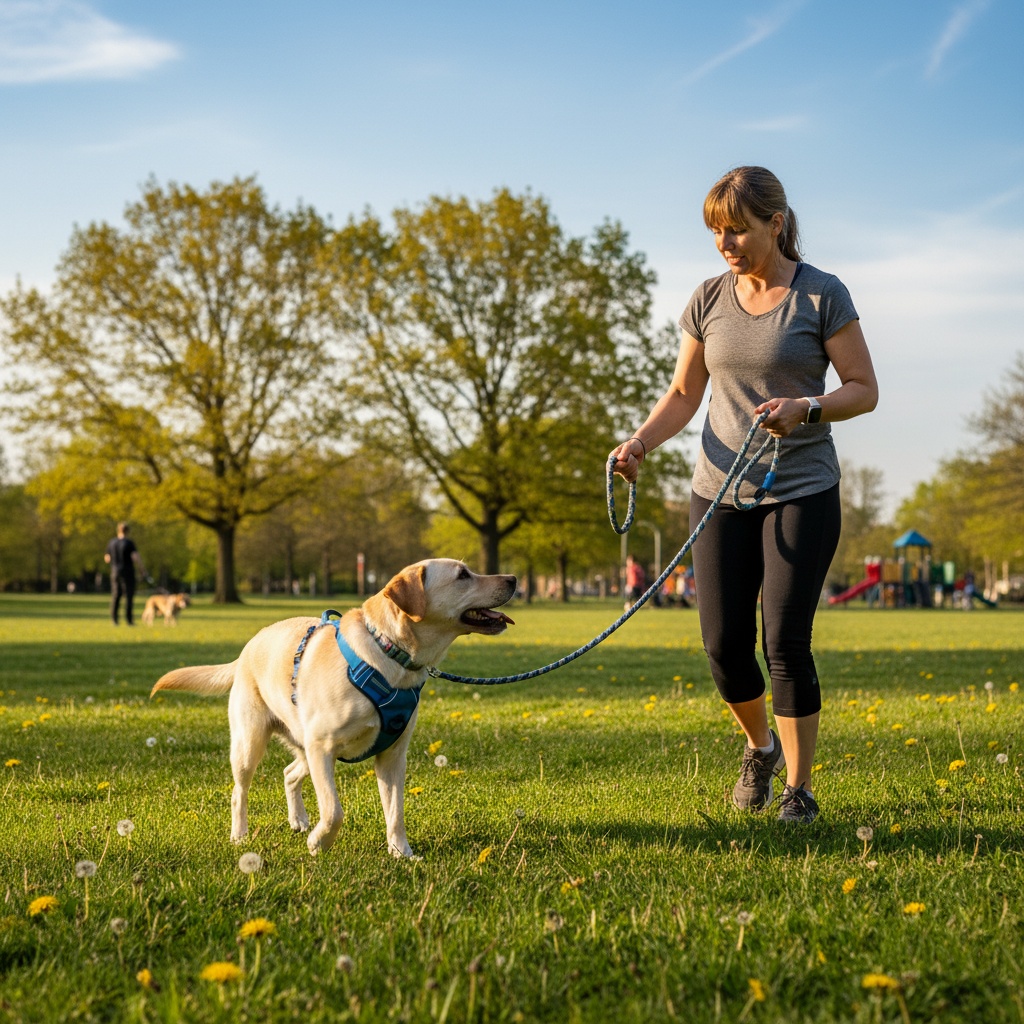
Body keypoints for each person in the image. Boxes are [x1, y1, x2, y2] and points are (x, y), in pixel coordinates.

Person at [610, 167, 877, 823]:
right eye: (716, 232)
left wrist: (808, 408)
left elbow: (863, 388)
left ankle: (800, 790)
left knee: (784, 640)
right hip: (718, 491)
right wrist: (640, 443)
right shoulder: (708, 298)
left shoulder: (820, 296)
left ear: (775, 224)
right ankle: (760, 748)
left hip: (801, 489)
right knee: (724, 645)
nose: (726, 243)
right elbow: (682, 395)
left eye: (737, 229)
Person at [104, 522, 147, 626]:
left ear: (118, 530)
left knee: (116, 595)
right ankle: (129, 620)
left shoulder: (111, 542)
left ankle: (114, 619)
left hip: (115, 571)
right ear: (127, 531)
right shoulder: (129, 543)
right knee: (129, 596)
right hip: (127, 571)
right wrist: (142, 570)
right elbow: (135, 557)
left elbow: (107, 559)